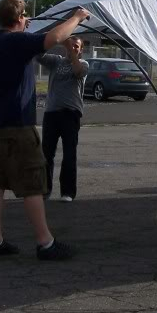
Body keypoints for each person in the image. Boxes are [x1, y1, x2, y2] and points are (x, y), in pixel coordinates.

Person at [0, 0, 90, 260]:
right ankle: (46, 243)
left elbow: (46, 40)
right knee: (33, 183)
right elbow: (51, 38)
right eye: (25, 15)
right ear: (18, 19)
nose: (27, 19)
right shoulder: (14, 40)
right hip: (17, 127)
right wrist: (77, 17)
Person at [38, 36, 89, 202]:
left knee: (69, 154)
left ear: (81, 50)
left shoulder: (83, 64)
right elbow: (38, 54)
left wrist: (71, 51)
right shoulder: (56, 61)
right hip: (52, 113)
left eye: (76, 47)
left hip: (71, 114)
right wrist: (55, 39)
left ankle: (67, 192)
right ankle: (44, 190)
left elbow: (78, 72)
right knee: (47, 154)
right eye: (71, 46)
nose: (73, 48)